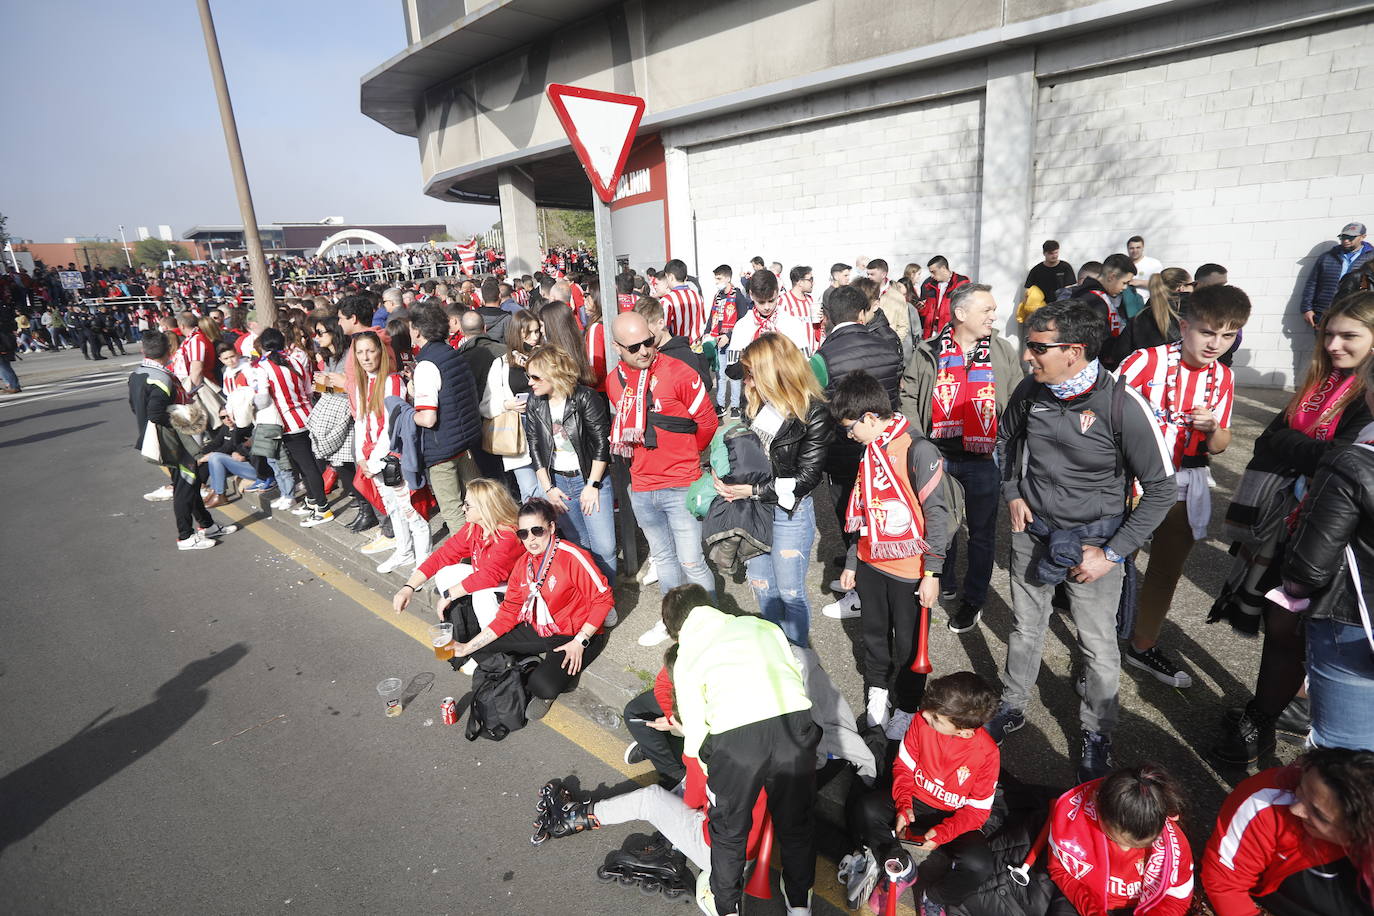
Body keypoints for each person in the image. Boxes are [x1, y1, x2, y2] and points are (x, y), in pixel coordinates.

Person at [989, 299, 1175, 783]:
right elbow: (1004, 444)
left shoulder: (1121, 405)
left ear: (1074, 350)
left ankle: (1097, 731)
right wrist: (1012, 493)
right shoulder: (1031, 391)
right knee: (1026, 629)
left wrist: (1112, 553)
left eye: (1037, 346)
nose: (1027, 356)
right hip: (1033, 533)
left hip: (1095, 544)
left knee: (1097, 646)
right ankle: (1012, 706)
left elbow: (1161, 489)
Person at [1209, 293, 1374, 763]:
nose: (1335, 344)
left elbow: (1340, 462)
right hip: (1289, 523)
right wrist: (1294, 443)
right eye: (1329, 334)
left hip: (1336, 541)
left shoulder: (1365, 395)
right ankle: (1263, 714)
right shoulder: (1322, 382)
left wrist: (1290, 442)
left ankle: (1271, 719)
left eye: (1350, 336)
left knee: (1298, 632)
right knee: (1278, 628)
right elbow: (1269, 438)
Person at [1116, 285, 1250, 688]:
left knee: (1165, 571)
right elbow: (1107, 417)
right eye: (1208, 332)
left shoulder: (1223, 376)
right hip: (1136, 484)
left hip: (1186, 482)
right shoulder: (1144, 361)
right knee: (1117, 568)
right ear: (1184, 325)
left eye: (1228, 336)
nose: (1216, 344)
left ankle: (1142, 645)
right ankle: (1100, 652)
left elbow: (1222, 445)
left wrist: (1214, 429)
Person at [668, 596, 820, 916]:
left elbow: (695, 732)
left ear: (680, 634)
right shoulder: (759, 626)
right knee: (796, 824)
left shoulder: (687, 655)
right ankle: (799, 903)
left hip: (737, 738)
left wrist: (714, 778)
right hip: (794, 722)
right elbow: (794, 671)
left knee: (729, 834)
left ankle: (728, 908)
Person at [831, 369, 949, 730]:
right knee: (873, 635)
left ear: (870, 417)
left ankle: (908, 706)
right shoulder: (871, 451)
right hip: (871, 562)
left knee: (909, 647)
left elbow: (937, 515)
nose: (849, 435)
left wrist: (932, 573)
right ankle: (877, 689)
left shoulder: (917, 449)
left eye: (851, 427)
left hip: (909, 570)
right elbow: (863, 508)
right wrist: (853, 559)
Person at [901, 283, 1022, 633]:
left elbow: (1016, 397)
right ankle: (945, 578)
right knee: (943, 526)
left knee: (982, 534)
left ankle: (974, 599)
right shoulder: (929, 351)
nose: (993, 316)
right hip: (939, 455)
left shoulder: (1001, 351)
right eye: (986, 309)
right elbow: (908, 397)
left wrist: (1004, 433)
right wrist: (919, 442)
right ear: (961, 314)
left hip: (984, 459)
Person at [842, 671, 1002, 914]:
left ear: (965, 732)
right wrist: (904, 804)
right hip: (916, 800)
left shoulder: (987, 754)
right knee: (866, 807)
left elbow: (977, 812)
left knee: (979, 865)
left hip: (954, 815)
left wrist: (944, 833)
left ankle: (934, 897)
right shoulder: (921, 721)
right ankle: (897, 865)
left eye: (937, 717)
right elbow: (904, 767)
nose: (925, 714)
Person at [1278, 359, 1374, 751]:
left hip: (1354, 622)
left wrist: (1293, 587)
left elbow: (1309, 567)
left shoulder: (1355, 461)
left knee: (1345, 760)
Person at [446, 498, 613, 719]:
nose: (531, 539)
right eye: (523, 533)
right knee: (478, 648)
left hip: (575, 634)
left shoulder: (572, 556)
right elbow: (508, 614)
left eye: (537, 530)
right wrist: (467, 647)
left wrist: (580, 641)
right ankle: (527, 664)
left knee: (543, 686)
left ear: (551, 527)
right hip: (541, 628)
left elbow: (604, 598)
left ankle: (538, 675)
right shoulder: (523, 564)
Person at [717, 333, 833, 647]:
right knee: (764, 589)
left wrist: (751, 490)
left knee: (790, 593)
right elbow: (743, 453)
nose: (748, 382)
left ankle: (799, 659)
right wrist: (721, 474)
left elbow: (806, 479)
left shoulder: (814, 413)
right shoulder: (755, 403)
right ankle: (775, 654)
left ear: (773, 371)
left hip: (788, 515)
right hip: (754, 512)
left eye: (752, 374)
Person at [608, 311, 719, 614]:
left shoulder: (679, 372)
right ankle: (675, 623)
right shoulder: (613, 381)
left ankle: (712, 625)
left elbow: (707, 423)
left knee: (692, 562)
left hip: (681, 484)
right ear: (617, 347)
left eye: (648, 342)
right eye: (634, 347)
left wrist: (686, 455)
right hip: (642, 487)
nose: (644, 351)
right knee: (664, 560)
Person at [816, 285, 906, 620]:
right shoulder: (887, 346)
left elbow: (819, 408)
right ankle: (876, 579)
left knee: (850, 517)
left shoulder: (822, 357)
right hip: (884, 448)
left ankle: (861, 592)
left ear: (827, 318)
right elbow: (895, 398)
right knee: (882, 516)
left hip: (842, 453)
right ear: (863, 313)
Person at [1202, 748, 1374, 916]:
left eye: (1318, 814)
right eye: (1301, 787)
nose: (1296, 809)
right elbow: (1224, 882)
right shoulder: (1265, 801)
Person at [393, 478, 523, 670]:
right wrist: (408, 587)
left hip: (517, 594)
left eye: (468, 505)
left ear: (485, 508)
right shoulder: (476, 528)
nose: (463, 508)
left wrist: (448, 595)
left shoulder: (508, 536)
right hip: (493, 582)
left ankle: (496, 652)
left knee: (482, 594)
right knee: (446, 573)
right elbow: (442, 556)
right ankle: (470, 633)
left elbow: (488, 576)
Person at [128, 331, 235, 550]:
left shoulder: (138, 373)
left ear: (143, 351)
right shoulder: (162, 379)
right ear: (169, 351)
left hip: (162, 438)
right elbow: (156, 413)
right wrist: (185, 415)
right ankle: (185, 536)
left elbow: (135, 406)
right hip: (173, 441)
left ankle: (207, 524)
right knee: (185, 485)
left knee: (190, 482)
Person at [1046, 765, 1194, 916]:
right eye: (1113, 838)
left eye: (1141, 845)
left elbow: (1177, 898)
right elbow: (1059, 870)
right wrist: (1092, 911)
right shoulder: (1070, 821)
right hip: (1086, 898)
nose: (1125, 850)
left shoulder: (1174, 847)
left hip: (1148, 905)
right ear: (1096, 803)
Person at [524, 344, 615, 579]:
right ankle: (590, 596)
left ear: (553, 373)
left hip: (590, 479)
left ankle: (608, 596)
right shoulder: (536, 402)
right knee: (578, 543)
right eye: (528, 376)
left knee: (604, 548)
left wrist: (592, 485)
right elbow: (534, 446)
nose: (530, 382)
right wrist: (548, 489)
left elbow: (601, 444)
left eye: (535, 376)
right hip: (558, 483)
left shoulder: (585, 397)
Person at [348, 331, 427, 574]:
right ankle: (404, 551)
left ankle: (424, 561)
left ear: (381, 352)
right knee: (392, 508)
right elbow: (361, 421)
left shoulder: (393, 381)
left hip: (393, 458)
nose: (365, 357)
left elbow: (391, 425)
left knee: (410, 510)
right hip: (373, 458)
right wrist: (362, 457)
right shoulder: (363, 383)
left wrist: (374, 460)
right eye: (360, 352)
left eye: (370, 351)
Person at [410, 304, 483, 539]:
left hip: (442, 448)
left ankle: (468, 558)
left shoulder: (426, 365)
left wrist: (406, 412)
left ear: (418, 331)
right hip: (465, 441)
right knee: (478, 502)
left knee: (453, 510)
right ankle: (487, 546)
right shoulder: (452, 352)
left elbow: (428, 418)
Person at [253, 328, 333, 527]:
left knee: (306, 466)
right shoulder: (296, 360)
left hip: (288, 423)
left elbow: (262, 400)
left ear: (263, 346)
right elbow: (308, 389)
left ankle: (323, 508)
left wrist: (251, 399)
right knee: (306, 464)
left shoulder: (262, 367)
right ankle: (313, 500)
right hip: (307, 416)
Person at [481, 308, 543, 500]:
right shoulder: (501, 364)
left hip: (545, 426)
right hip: (517, 431)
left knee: (550, 486)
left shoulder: (544, 357)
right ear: (517, 333)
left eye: (537, 331)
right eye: (529, 333)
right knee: (530, 491)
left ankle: (555, 527)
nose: (534, 337)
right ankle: (537, 529)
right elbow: (485, 405)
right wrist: (506, 404)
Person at [725, 269, 813, 364]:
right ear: (751, 295)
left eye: (771, 300)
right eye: (761, 302)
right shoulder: (742, 327)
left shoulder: (792, 324)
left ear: (777, 292)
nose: (767, 307)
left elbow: (806, 363)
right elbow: (733, 368)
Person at [1302, 222, 1372, 328]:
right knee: (1324, 343)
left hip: (1357, 314)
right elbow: (1312, 283)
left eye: (1350, 237)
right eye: (1343, 237)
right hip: (1324, 313)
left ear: (1363, 237)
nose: (1345, 241)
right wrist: (1307, 309)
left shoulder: (1371, 259)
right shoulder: (1327, 257)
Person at [1076, 253, 1138, 371]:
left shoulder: (1103, 297)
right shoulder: (1092, 301)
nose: (1125, 288)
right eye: (1124, 282)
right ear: (1111, 277)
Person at [707, 264, 750, 416]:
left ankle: (735, 405)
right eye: (716, 278)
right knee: (720, 375)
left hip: (733, 343)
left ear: (728, 278)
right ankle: (720, 404)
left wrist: (729, 335)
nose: (716, 281)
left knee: (734, 374)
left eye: (719, 278)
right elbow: (712, 317)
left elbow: (743, 321)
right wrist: (706, 334)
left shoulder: (737, 295)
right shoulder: (718, 296)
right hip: (719, 341)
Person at [1128, 267, 1193, 352]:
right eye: (1193, 284)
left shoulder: (1140, 317)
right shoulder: (1197, 313)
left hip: (1147, 363)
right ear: (1181, 288)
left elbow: (1120, 353)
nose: (1194, 289)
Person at [866, 258, 916, 356]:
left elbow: (903, 326)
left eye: (872, 274)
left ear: (883, 274)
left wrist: (893, 344)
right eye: (867, 274)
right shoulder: (865, 293)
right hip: (868, 346)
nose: (869, 277)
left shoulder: (897, 297)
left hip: (889, 348)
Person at [917, 256, 971, 341]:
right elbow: (927, 312)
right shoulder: (929, 284)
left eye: (933, 272)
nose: (931, 275)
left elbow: (966, 310)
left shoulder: (960, 282)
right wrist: (921, 308)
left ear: (943, 268)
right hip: (932, 332)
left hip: (951, 332)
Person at [657, 259, 706, 346]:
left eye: (666, 277)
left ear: (671, 277)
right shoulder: (698, 297)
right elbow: (702, 322)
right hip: (696, 348)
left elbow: (663, 330)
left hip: (678, 349)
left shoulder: (667, 301)